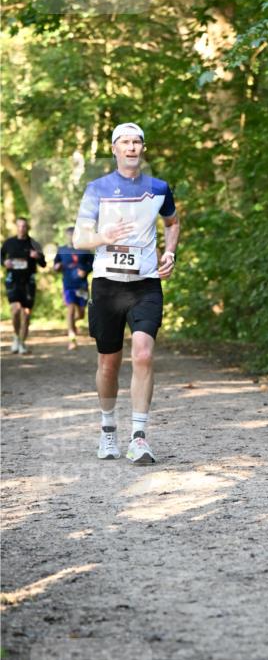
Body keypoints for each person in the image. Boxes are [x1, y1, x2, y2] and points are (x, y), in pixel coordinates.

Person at [73, 122, 180, 464]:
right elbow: (79, 238)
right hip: (107, 285)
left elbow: (172, 222)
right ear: (115, 149)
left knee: (144, 354)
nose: (132, 147)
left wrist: (170, 253)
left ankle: (139, 437)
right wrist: (102, 237)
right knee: (109, 363)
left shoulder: (159, 188)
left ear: (143, 149)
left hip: (145, 284)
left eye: (137, 142)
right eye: (125, 142)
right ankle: (108, 430)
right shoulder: (97, 189)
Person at [1, 216, 46, 354]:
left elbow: (43, 264)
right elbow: (1, 256)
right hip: (13, 280)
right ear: (16, 227)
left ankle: (22, 342)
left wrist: (37, 257)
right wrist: (4, 262)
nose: (21, 228)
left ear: (28, 228)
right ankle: (16, 337)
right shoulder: (9, 242)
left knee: (26, 314)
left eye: (24, 226)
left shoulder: (34, 244)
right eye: (19, 226)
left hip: (28, 283)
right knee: (15, 311)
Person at [53, 227, 95, 349]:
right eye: (69, 235)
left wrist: (85, 270)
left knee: (81, 314)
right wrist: (57, 267)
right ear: (66, 236)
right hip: (68, 285)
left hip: (82, 286)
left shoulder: (85, 249)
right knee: (70, 309)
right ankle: (72, 339)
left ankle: (71, 324)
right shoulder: (62, 250)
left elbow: (93, 264)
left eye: (73, 235)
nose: (71, 237)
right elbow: (55, 265)